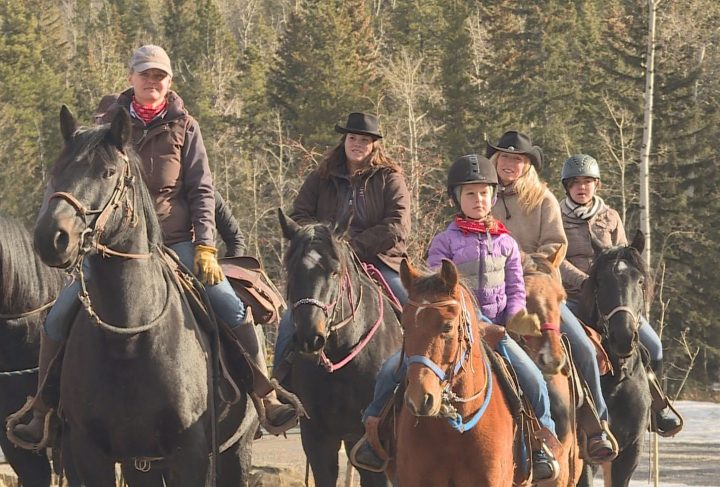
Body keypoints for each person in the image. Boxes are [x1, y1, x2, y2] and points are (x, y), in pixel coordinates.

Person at [12, 45, 295, 445]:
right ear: (131, 78)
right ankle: (43, 409)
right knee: (57, 317)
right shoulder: (103, 127)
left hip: (175, 241)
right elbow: (74, 183)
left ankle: (264, 396)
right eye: (145, 74)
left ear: (169, 82)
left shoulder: (185, 127)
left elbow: (201, 191)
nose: (152, 82)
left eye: (159, 76)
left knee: (230, 306)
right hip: (109, 247)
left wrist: (206, 245)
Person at [353, 154, 559, 481]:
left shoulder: (507, 242)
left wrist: (514, 315)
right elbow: (438, 285)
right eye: (470, 194)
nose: (479, 200)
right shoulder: (444, 241)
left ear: (493, 196)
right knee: (391, 369)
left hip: (496, 330)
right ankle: (373, 433)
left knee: (532, 376)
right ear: (457, 198)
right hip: (454, 327)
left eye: (484, 193)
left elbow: (516, 286)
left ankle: (541, 442)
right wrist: (467, 316)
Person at [487, 131, 617, 462]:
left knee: (583, 347)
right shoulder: (482, 196)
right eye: (505, 157)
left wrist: (517, 261)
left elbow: (556, 245)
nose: (510, 164)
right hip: (495, 290)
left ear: (527, 164)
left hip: (539, 289)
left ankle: (597, 424)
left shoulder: (542, 199)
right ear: (495, 160)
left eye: (517, 159)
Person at [272, 112, 411, 371]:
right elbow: (300, 214)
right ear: (344, 141)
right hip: (326, 262)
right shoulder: (321, 177)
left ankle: (421, 378)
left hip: (379, 261)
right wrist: (324, 241)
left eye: (364, 140)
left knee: (415, 309)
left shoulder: (389, 178)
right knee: (292, 317)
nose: (357, 144)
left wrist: (352, 247)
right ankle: (279, 381)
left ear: (374, 145)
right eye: (352, 138)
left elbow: (397, 225)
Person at [559, 154, 682, 435]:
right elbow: (558, 259)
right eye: (575, 182)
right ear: (567, 186)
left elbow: (625, 254)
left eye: (587, 182)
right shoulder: (557, 216)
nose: (581, 187)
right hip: (575, 297)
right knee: (576, 349)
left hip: (613, 299)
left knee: (654, 347)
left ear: (597, 185)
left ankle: (654, 406)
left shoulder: (610, 216)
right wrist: (585, 282)